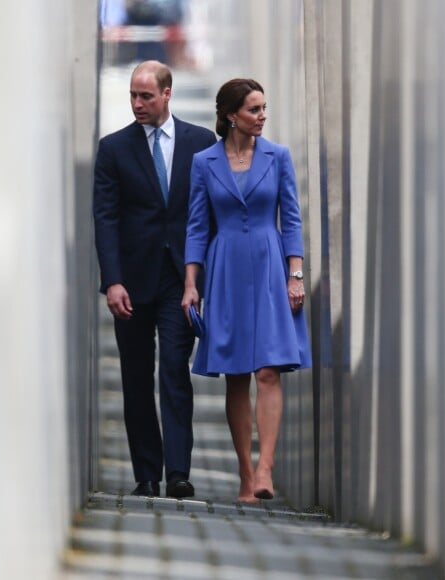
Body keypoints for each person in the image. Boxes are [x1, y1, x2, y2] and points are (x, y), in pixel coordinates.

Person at [181, 78, 312, 503]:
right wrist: (190, 285)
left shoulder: (278, 157)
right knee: (236, 375)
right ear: (231, 115)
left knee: (269, 370)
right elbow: (198, 226)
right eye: (254, 109)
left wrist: (296, 274)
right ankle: (243, 473)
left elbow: (290, 218)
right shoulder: (205, 162)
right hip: (226, 268)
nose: (262, 116)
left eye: (263, 108)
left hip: (270, 264)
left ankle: (265, 469)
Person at [93, 60, 217, 498]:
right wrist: (112, 281)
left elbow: (208, 215)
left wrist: (202, 279)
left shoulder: (201, 144)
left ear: (168, 94)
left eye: (146, 95)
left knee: (174, 372)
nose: (137, 103)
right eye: (132, 95)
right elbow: (105, 219)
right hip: (131, 281)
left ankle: (179, 471)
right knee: (135, 375)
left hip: (181, 280)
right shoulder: (113, 149)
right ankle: (146, 473)